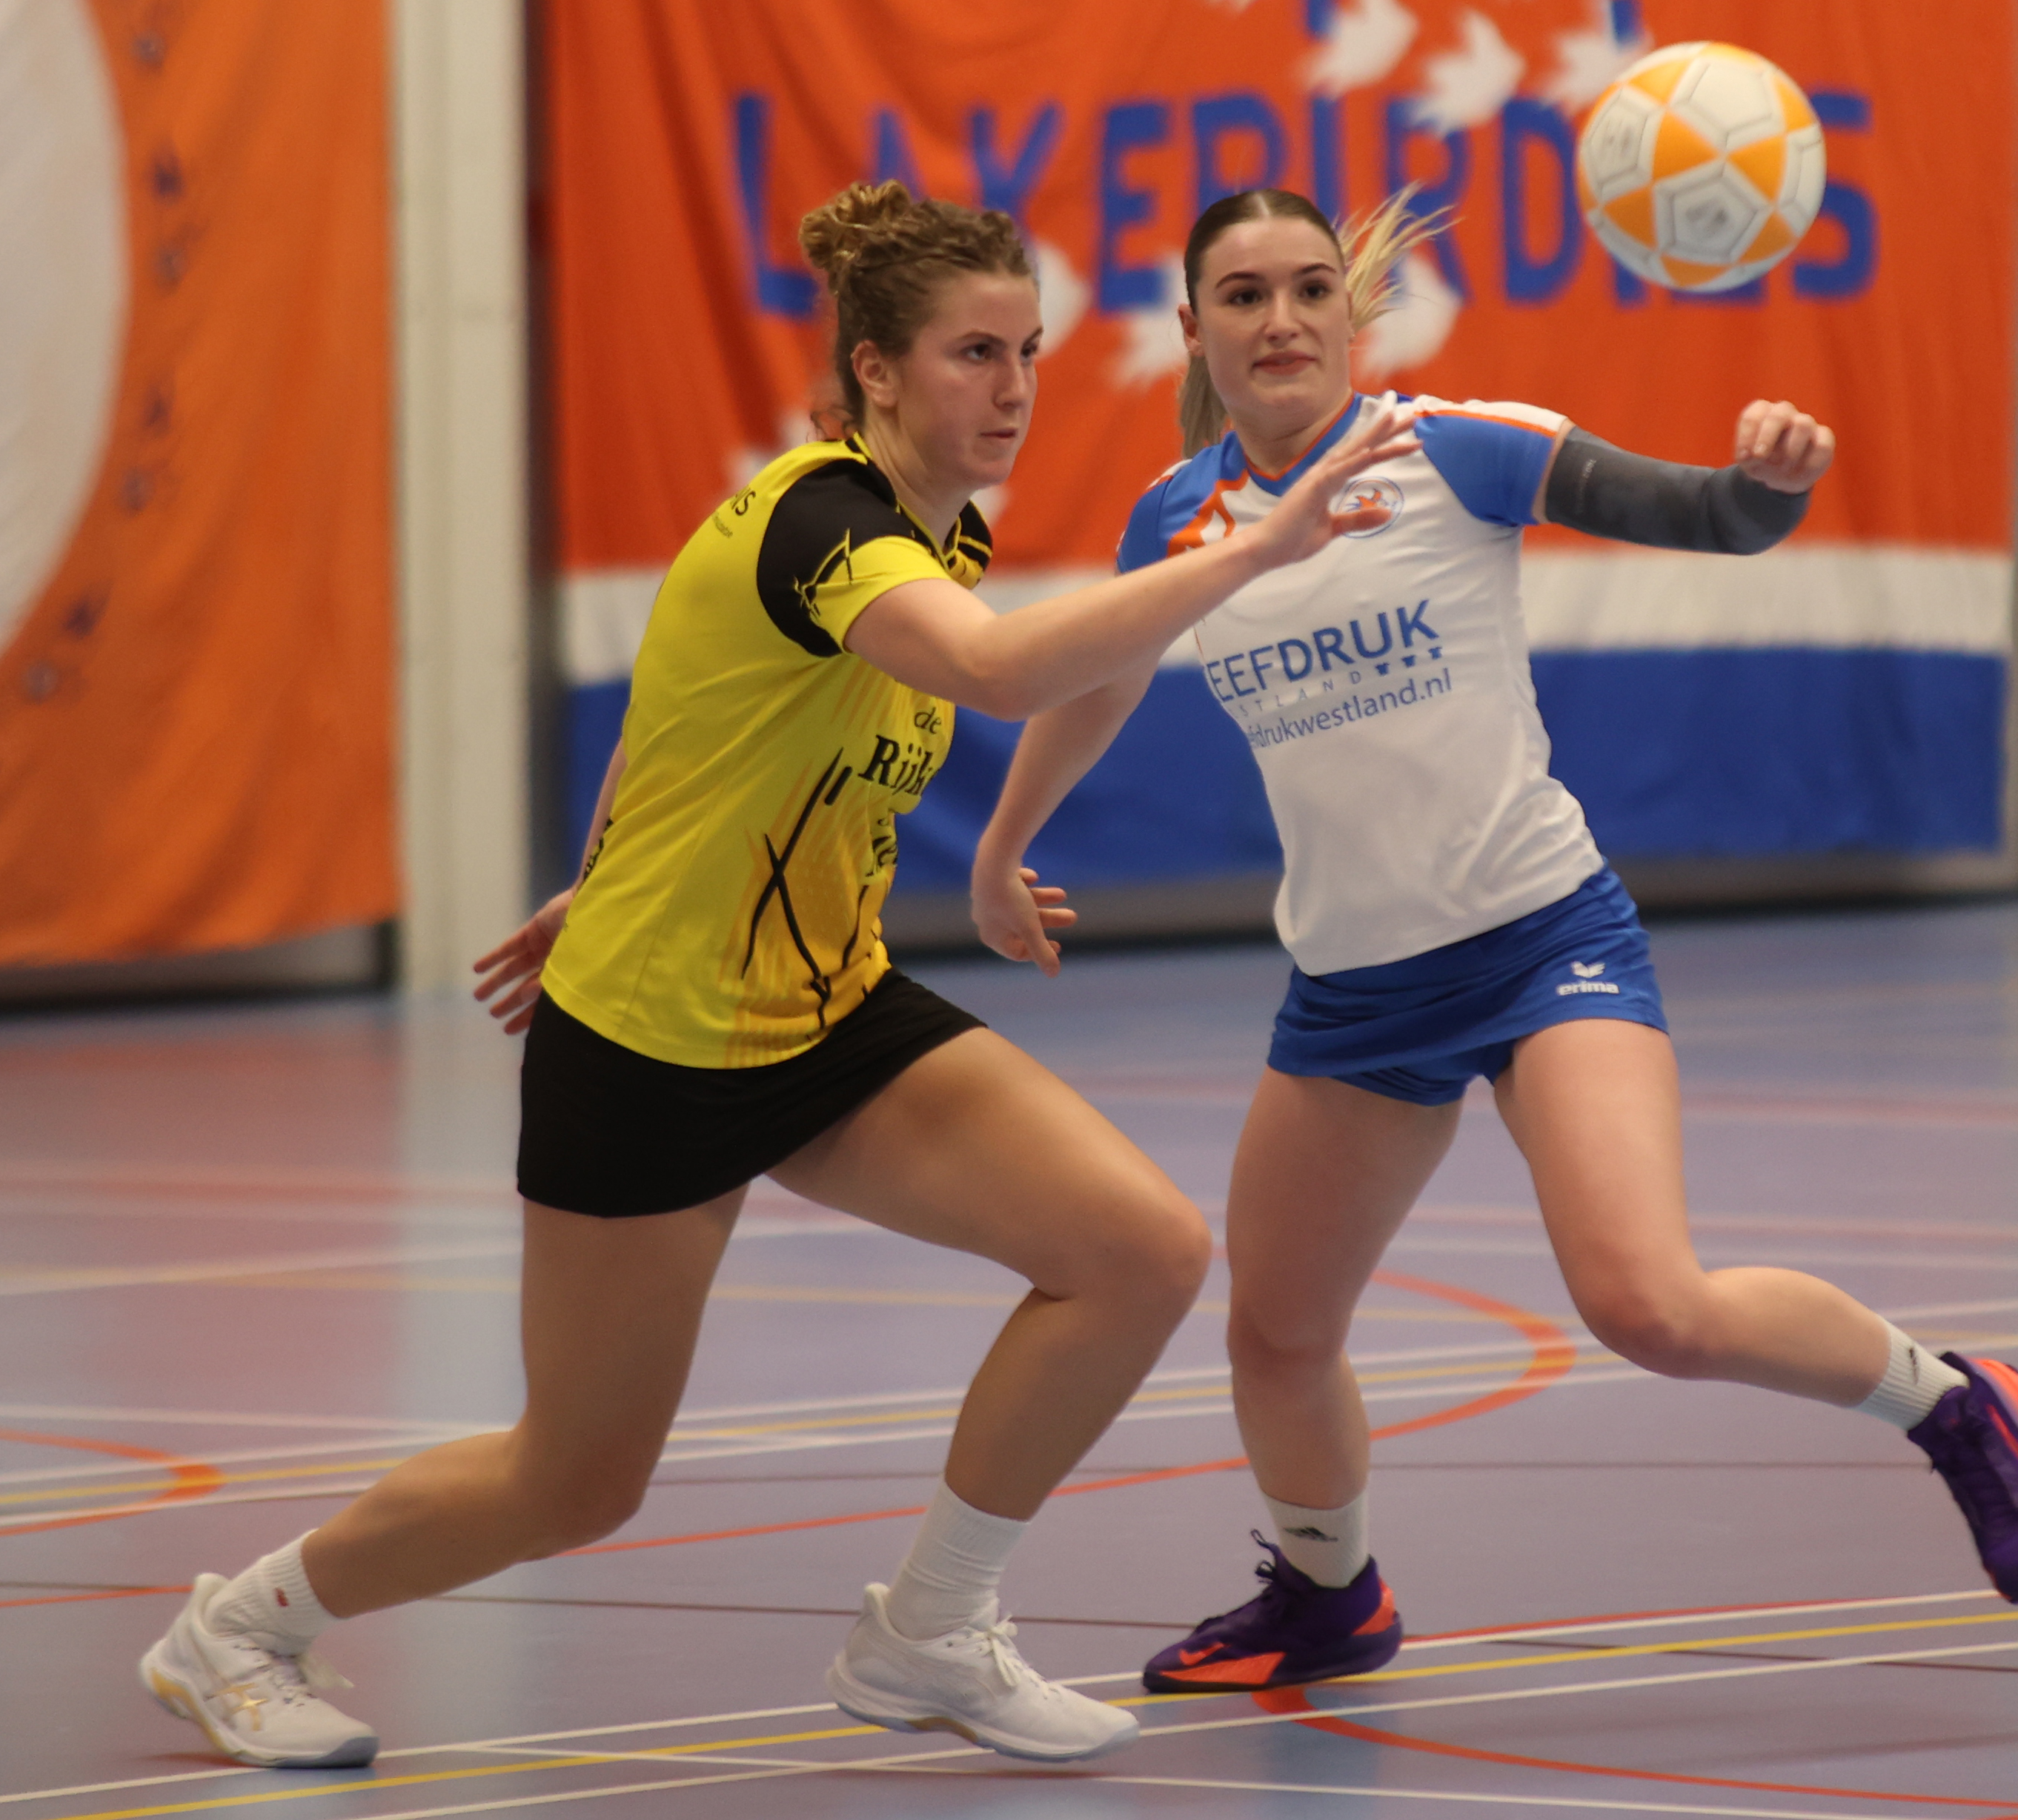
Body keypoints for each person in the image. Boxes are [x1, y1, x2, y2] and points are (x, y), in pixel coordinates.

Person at [136, 181, 1418, 1768]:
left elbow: (686, 700)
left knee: (1137, 1251)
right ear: (875, 369)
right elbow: (1007, 672)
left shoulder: (938, 523)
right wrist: (1262, 546)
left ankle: (931, 1629)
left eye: (1026, 353)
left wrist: (600, 872)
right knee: (577, 1480)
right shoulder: (824, 519)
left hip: (826, 1011)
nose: (1010, 391)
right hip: (654, 1050)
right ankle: (240, 1628)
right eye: (971, 355)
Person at [969, 187, 2018, 1697]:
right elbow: (1101, 668)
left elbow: (1704, 515)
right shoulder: (1181, 518)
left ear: (1355, 318)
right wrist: (1001, 843)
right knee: (1277, 1334)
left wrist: (1767, 482)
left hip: (1541, 937)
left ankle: (1959, 1401)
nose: (1282, 319)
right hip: (1358, 989)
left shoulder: (1458, 447)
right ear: (1193, 328)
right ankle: (1329, 1597)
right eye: (1243, 296)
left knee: (1648, 1303)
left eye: (1310, 288)